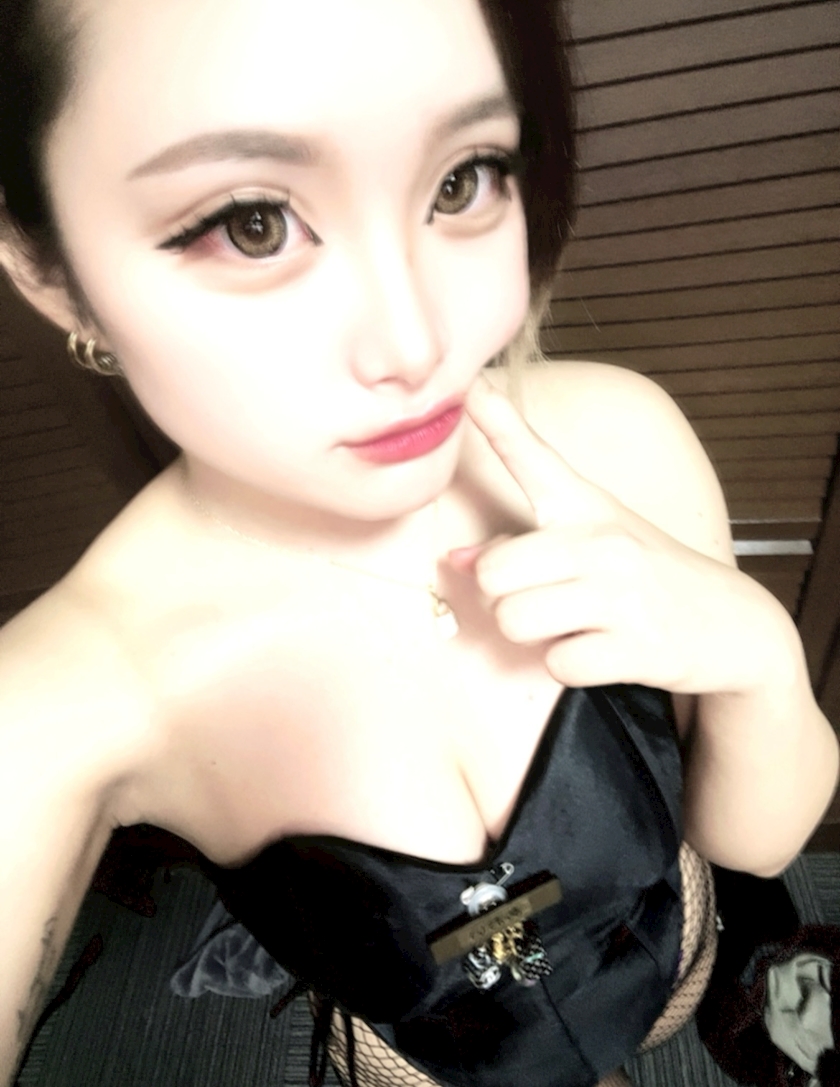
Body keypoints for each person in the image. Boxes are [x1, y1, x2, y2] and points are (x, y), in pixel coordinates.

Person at [0, 0, 837, 1084]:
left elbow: (751, 844)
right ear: (50, 272)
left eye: (461, 180)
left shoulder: (618, 441)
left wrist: (758, 654)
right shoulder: (70, 695)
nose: (419, 339)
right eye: (252, 223)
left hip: (677, 963)